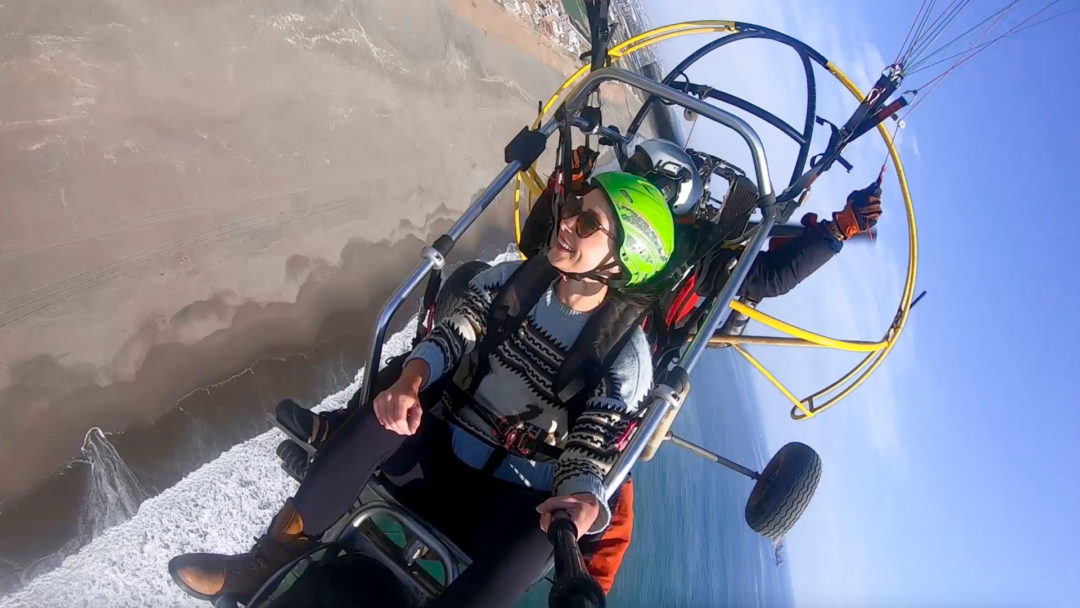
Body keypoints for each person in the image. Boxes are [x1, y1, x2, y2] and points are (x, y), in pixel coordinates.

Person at [168, 172, 676, 607]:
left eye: (588, 224)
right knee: (386, 412)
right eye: (573, 209)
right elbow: (452, 338)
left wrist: (581, 502)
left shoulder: (624, 359)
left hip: (507, 501)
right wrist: (410, 382)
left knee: (545, 537)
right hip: (437, 453)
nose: (566, 222)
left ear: (622, 257)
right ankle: (266, 560)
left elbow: (589, 453)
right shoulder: (513, 280)